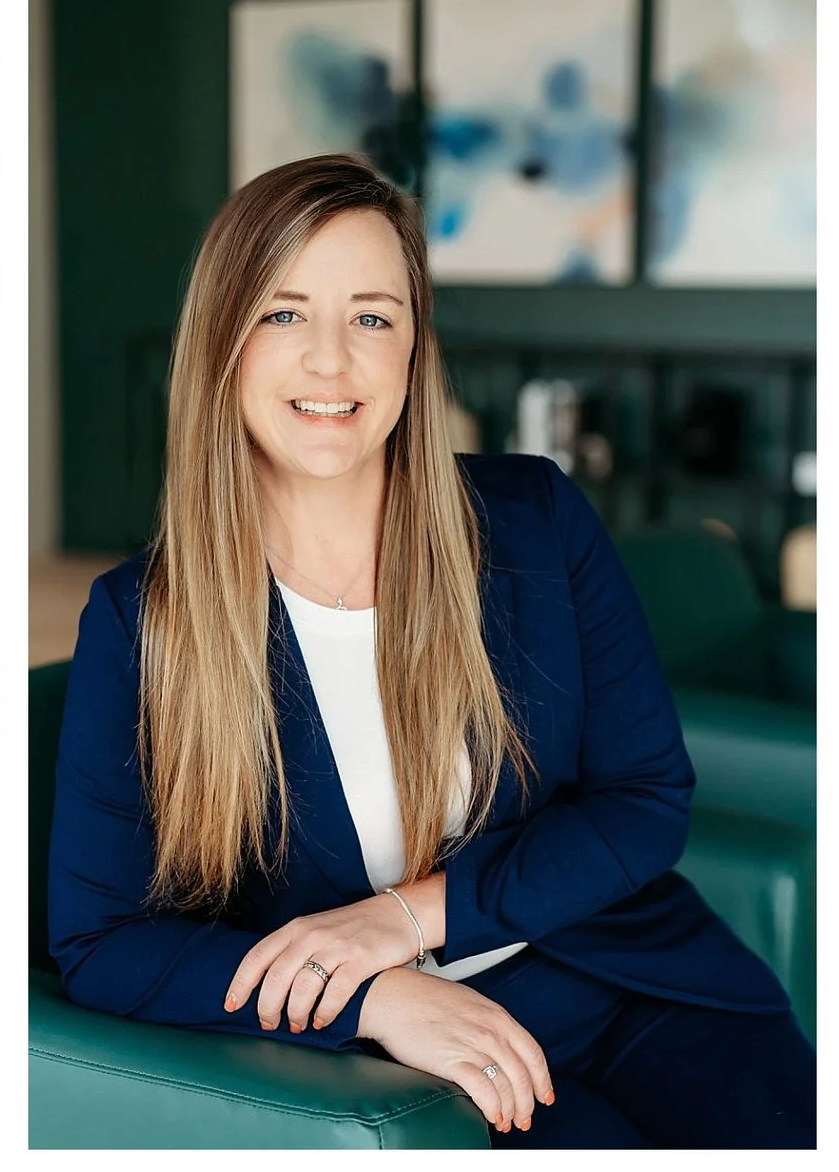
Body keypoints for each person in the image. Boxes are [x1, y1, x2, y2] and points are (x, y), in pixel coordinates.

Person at [47, 153, 813, 1149]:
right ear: (222, 342)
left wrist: (407, 919)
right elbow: (101, 941)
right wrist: (368, 997)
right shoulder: (140, 619)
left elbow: (645, 799)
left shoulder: (536, 520)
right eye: (283, 314)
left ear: (414, 348)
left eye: (371, 317)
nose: (330, 361)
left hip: (631, 981)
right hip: (413, 1057)